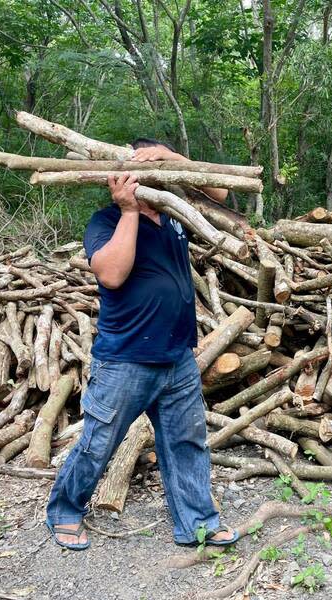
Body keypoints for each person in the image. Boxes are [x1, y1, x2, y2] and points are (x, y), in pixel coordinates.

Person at [44, 138, 238, 550]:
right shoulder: (106, 220)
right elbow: (111, 275)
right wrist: (130, 209)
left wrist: (171, 156)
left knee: (187, 443)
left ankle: (197, 523)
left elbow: (219, 190)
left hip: (178, 357)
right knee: (99, 443)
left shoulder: (174, 213)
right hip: (126, 359)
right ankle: (64, 511)